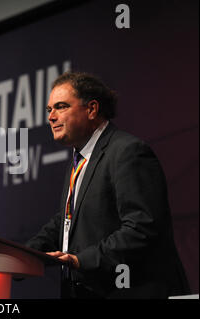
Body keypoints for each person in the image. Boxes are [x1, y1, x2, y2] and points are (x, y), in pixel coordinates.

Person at [26, 71, 190, 298]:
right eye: (49, 110)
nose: (51, 117)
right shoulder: (79, 158)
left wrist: (80, 260)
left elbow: (142, 228)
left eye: (61, 107)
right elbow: (67, 220)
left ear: (92, 109)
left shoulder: (127, 152)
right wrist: (24, 255)